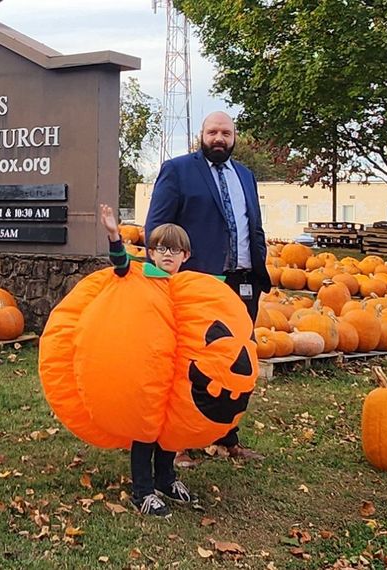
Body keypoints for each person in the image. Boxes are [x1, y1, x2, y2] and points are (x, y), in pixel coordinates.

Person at [145, 111, 271, 461]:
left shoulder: (245, 175)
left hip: (242, 282)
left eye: (226, 133)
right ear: (201, 135)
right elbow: (156, 229)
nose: (219, 138)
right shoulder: (179, 170)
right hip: (198, 284)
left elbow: (253, 225)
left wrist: (260, 270)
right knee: (192, 364)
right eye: (212, 131)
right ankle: (177, 443)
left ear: (234, 137)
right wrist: (167, 273)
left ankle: (227, 438)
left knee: (237, 361)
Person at [100, 203, 195, 518]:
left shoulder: (190, 286)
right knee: (145, 429)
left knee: (170, 428)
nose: (168, 254)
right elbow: (120, 264)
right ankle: (142, 491)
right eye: (161, 248)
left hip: (176, 369)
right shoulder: (141, 275)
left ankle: (165, 479)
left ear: (186, 256)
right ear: (151, 253)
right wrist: (115, 235)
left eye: (175, 249)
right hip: (146, 367)